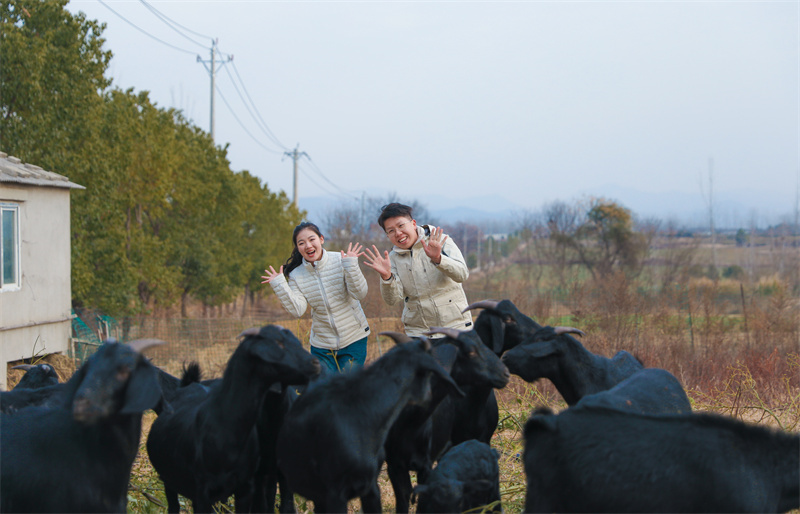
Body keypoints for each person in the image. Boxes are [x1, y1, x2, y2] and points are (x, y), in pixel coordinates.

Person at [262, 222, 370, 373]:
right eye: (301, 243)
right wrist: (280, 285)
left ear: (321, 239)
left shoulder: (341, 260)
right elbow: (297, 310)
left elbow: (360, 294)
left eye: (312, 239)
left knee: (346, 387)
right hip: (322, 345)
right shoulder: (296, 275)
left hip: (354, 338)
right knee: (324, 388)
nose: (308, 245)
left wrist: (351, 265)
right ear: (298, 248)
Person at [363, 202, 473, 337]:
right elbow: (392, 300)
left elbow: (462, 274)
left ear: (413, 223)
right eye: (391, 231)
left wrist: (439, 259)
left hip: (456, 327)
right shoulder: (392, 259)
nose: (398, 233)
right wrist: (387, 278)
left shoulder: (439, 241)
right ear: (387, 236)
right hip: (419, 333)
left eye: (401, 226)